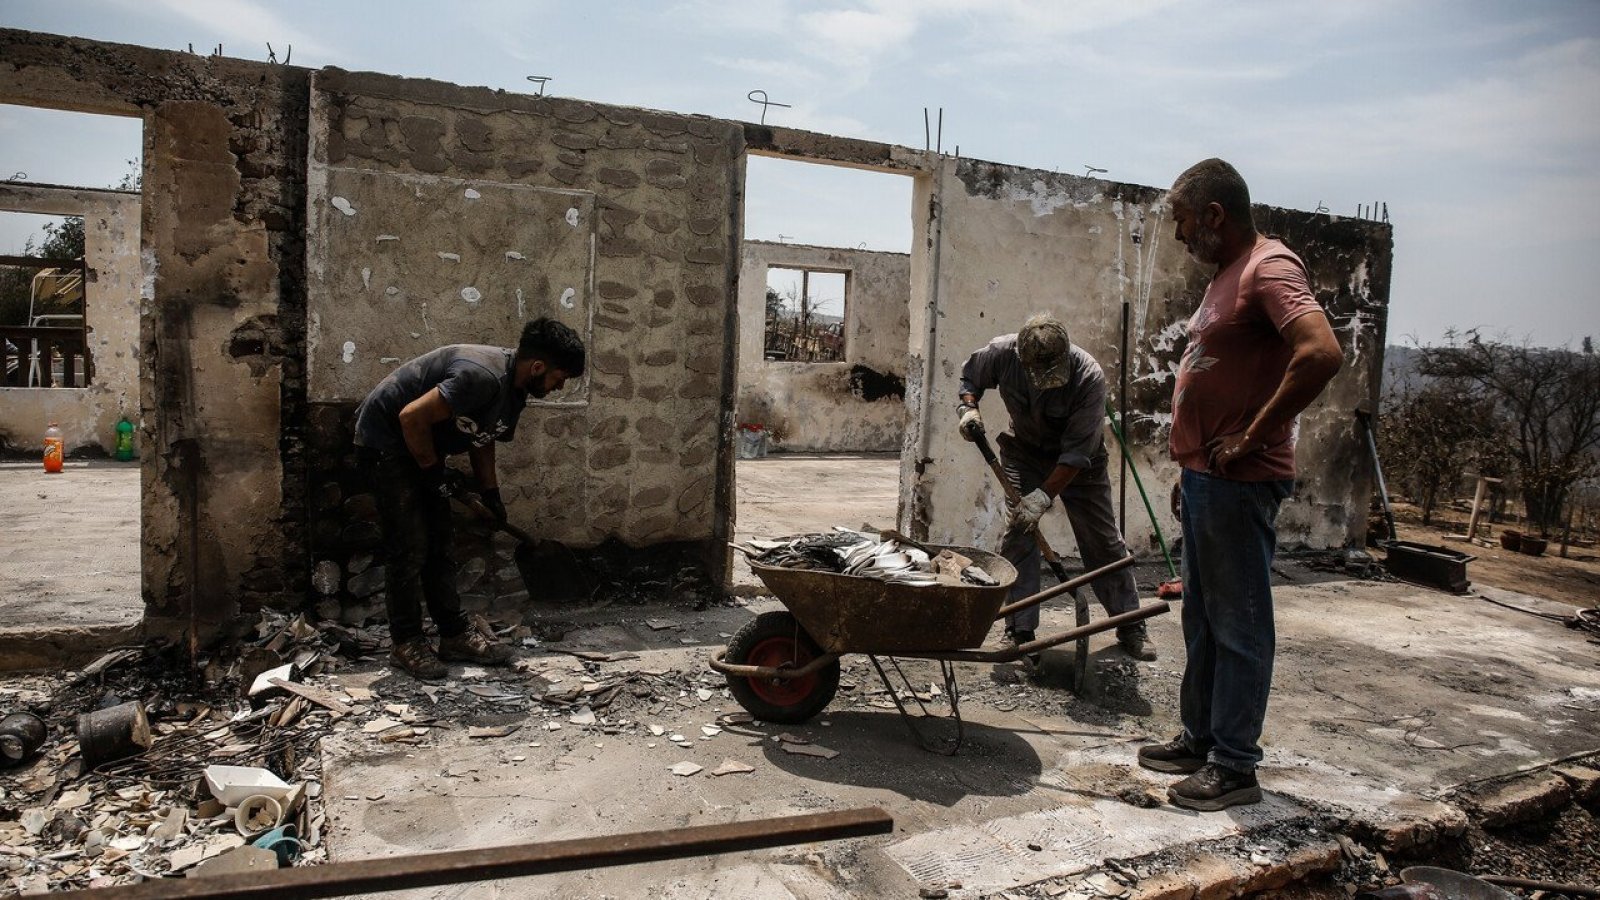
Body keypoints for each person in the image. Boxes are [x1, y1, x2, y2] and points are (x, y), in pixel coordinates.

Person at [1137, 159, 1343, 811]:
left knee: (1239, 621)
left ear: (1213, 216)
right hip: (1207, 478)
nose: (1178, 236)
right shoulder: (1226, 276)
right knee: (1201, 615)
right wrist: (1190, 465)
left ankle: (1234, 765)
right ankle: (1200, 738)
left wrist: (1251, 437)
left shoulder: (1269, 267)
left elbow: (1321, 352)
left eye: (1181, 222)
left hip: (1241, 479)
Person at [353, 318, 586, 681]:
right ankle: (406, 641)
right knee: (410, 546)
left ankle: (454, 635)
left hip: (421, 448)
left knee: (441, 545)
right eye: (560, 378)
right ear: (538, 367)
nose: (559, 387)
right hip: (386, 444)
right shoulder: (481, 377)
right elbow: (410, 417)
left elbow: (482, 436)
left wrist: (490, 494)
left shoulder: (515, 390)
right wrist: (434, 474)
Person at [957, 314, 1155, 664]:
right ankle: (1019, 630)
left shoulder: (1088, 376)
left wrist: (1043, 497)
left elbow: (1076, 453)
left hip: (1081, 463)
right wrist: (968, 409)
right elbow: (970, 378)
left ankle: (1130, 624)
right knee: (1019, 532)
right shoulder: (1002, 354)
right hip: (1024, 452)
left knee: (1103, 539)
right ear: (1023, 358)